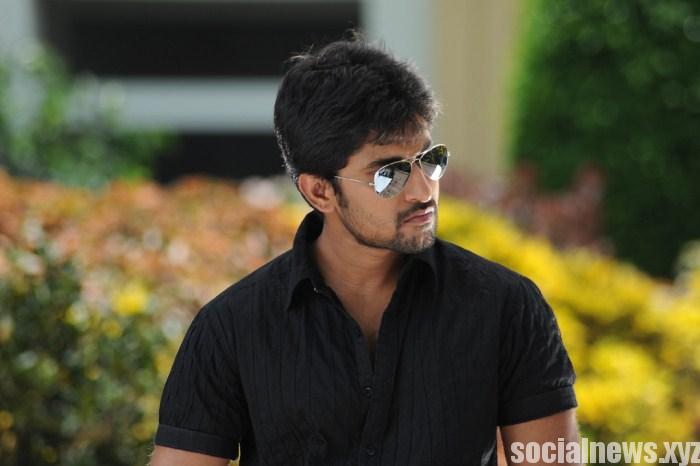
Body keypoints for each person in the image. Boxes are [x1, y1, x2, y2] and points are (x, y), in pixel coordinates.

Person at [150, 37, 579, 466]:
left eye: (430, 159)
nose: (423, 190)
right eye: (389, 173)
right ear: (320, 192)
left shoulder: (507, 308)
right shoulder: (231, 328)